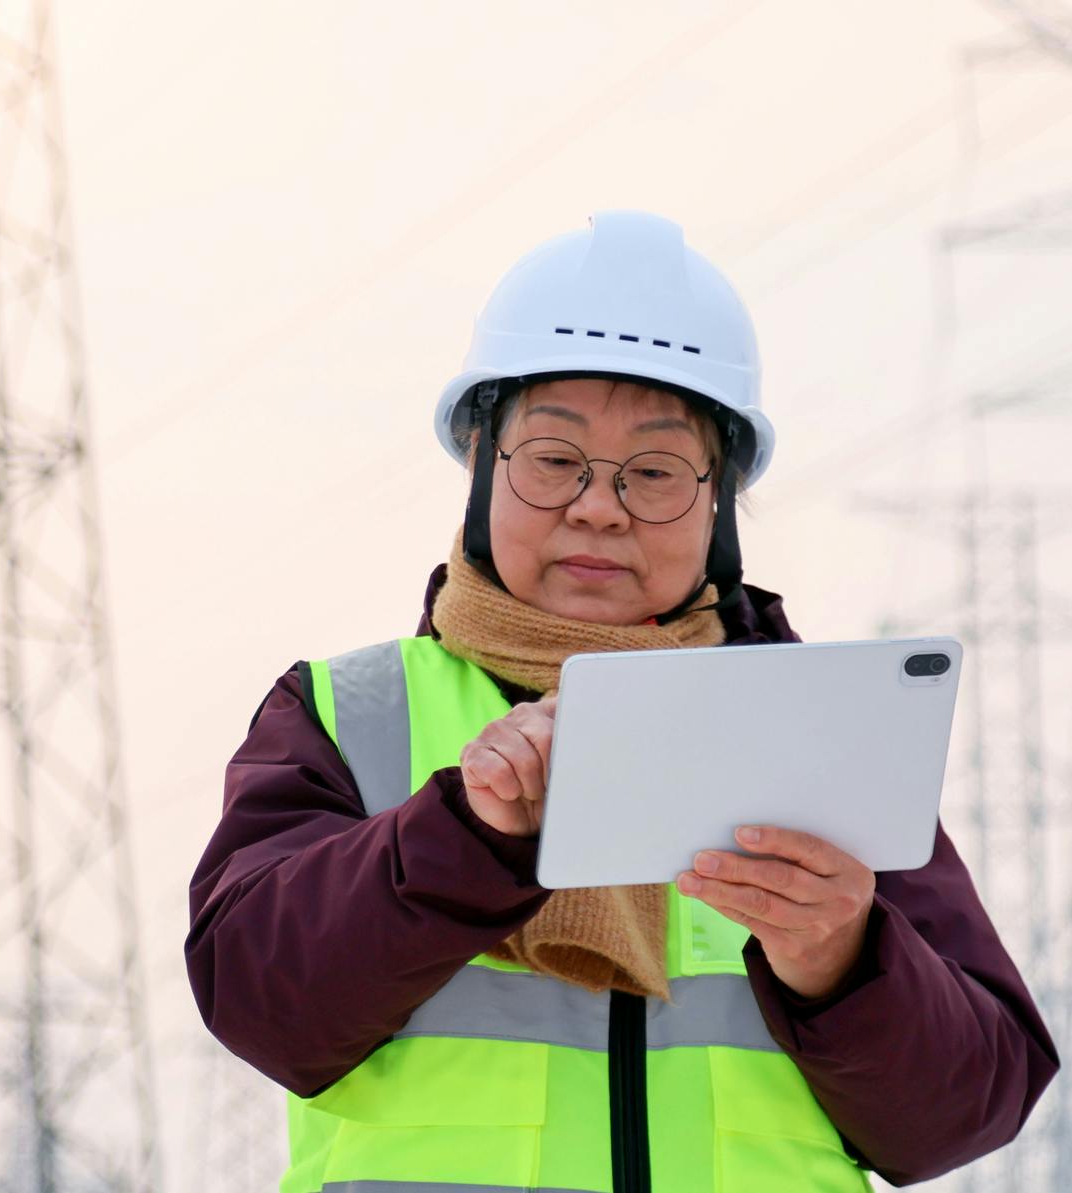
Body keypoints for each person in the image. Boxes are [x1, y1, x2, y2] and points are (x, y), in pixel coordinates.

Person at [184, 210, 1059, 1192]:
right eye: (555, 459)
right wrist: (467, 834)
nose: (599, 505)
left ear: (720, 498)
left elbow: (971, 1107)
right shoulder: (352, 713)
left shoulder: (816, 728)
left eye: (653, 472)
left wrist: (843, 957)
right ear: (478, 463)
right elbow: (258, 1001)